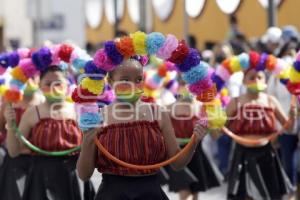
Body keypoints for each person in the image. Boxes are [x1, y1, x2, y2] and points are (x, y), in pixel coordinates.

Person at [76, 58, 207, 200]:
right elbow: (84, 174)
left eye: (138, 79)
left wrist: (194, 141)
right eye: (125, 80)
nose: (133, 85)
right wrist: (88, 141)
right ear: (110, 82)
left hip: (150, 194)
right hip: (112, 195)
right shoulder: (97, 118)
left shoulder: (158, 113)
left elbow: (177, 163)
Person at [4, 65, 94, 200]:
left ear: (67, 85)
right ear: (40, 85)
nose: (54, 87)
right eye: (48, 83)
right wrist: (11, 125)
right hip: (41, 177)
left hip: (73, 175)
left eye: (58, 83)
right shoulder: (32, 112)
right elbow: (14, 151)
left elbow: (91, 146)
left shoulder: (79, 111)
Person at [226, 67, 296, 200]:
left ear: (265, 80)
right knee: (243, 195)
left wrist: (293, 116)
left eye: (259, 77)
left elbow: (288, 128)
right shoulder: (235, 102)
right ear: (244, 81)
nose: (256, 81)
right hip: (242, 154)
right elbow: (220, 129)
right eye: (252, 78)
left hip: (266, 154)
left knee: (271, 195)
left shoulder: (271, 101)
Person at [165, 79, 223, 200]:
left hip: (197, 153)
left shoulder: (202, 108)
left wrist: (217, 124)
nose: (187, 88)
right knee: (184, 193)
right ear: (178, 86)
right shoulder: (168, 109)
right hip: (178, 154)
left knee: (196, 192)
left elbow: (215, 136)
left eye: (190, 86)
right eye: (183, 84)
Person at [0, 77, 44, 200]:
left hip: (38, 160)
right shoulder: (8, 101)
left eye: (34, 76)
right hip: (14, 160)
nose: (29, 80)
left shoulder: (43, 101)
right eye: (26, 76)